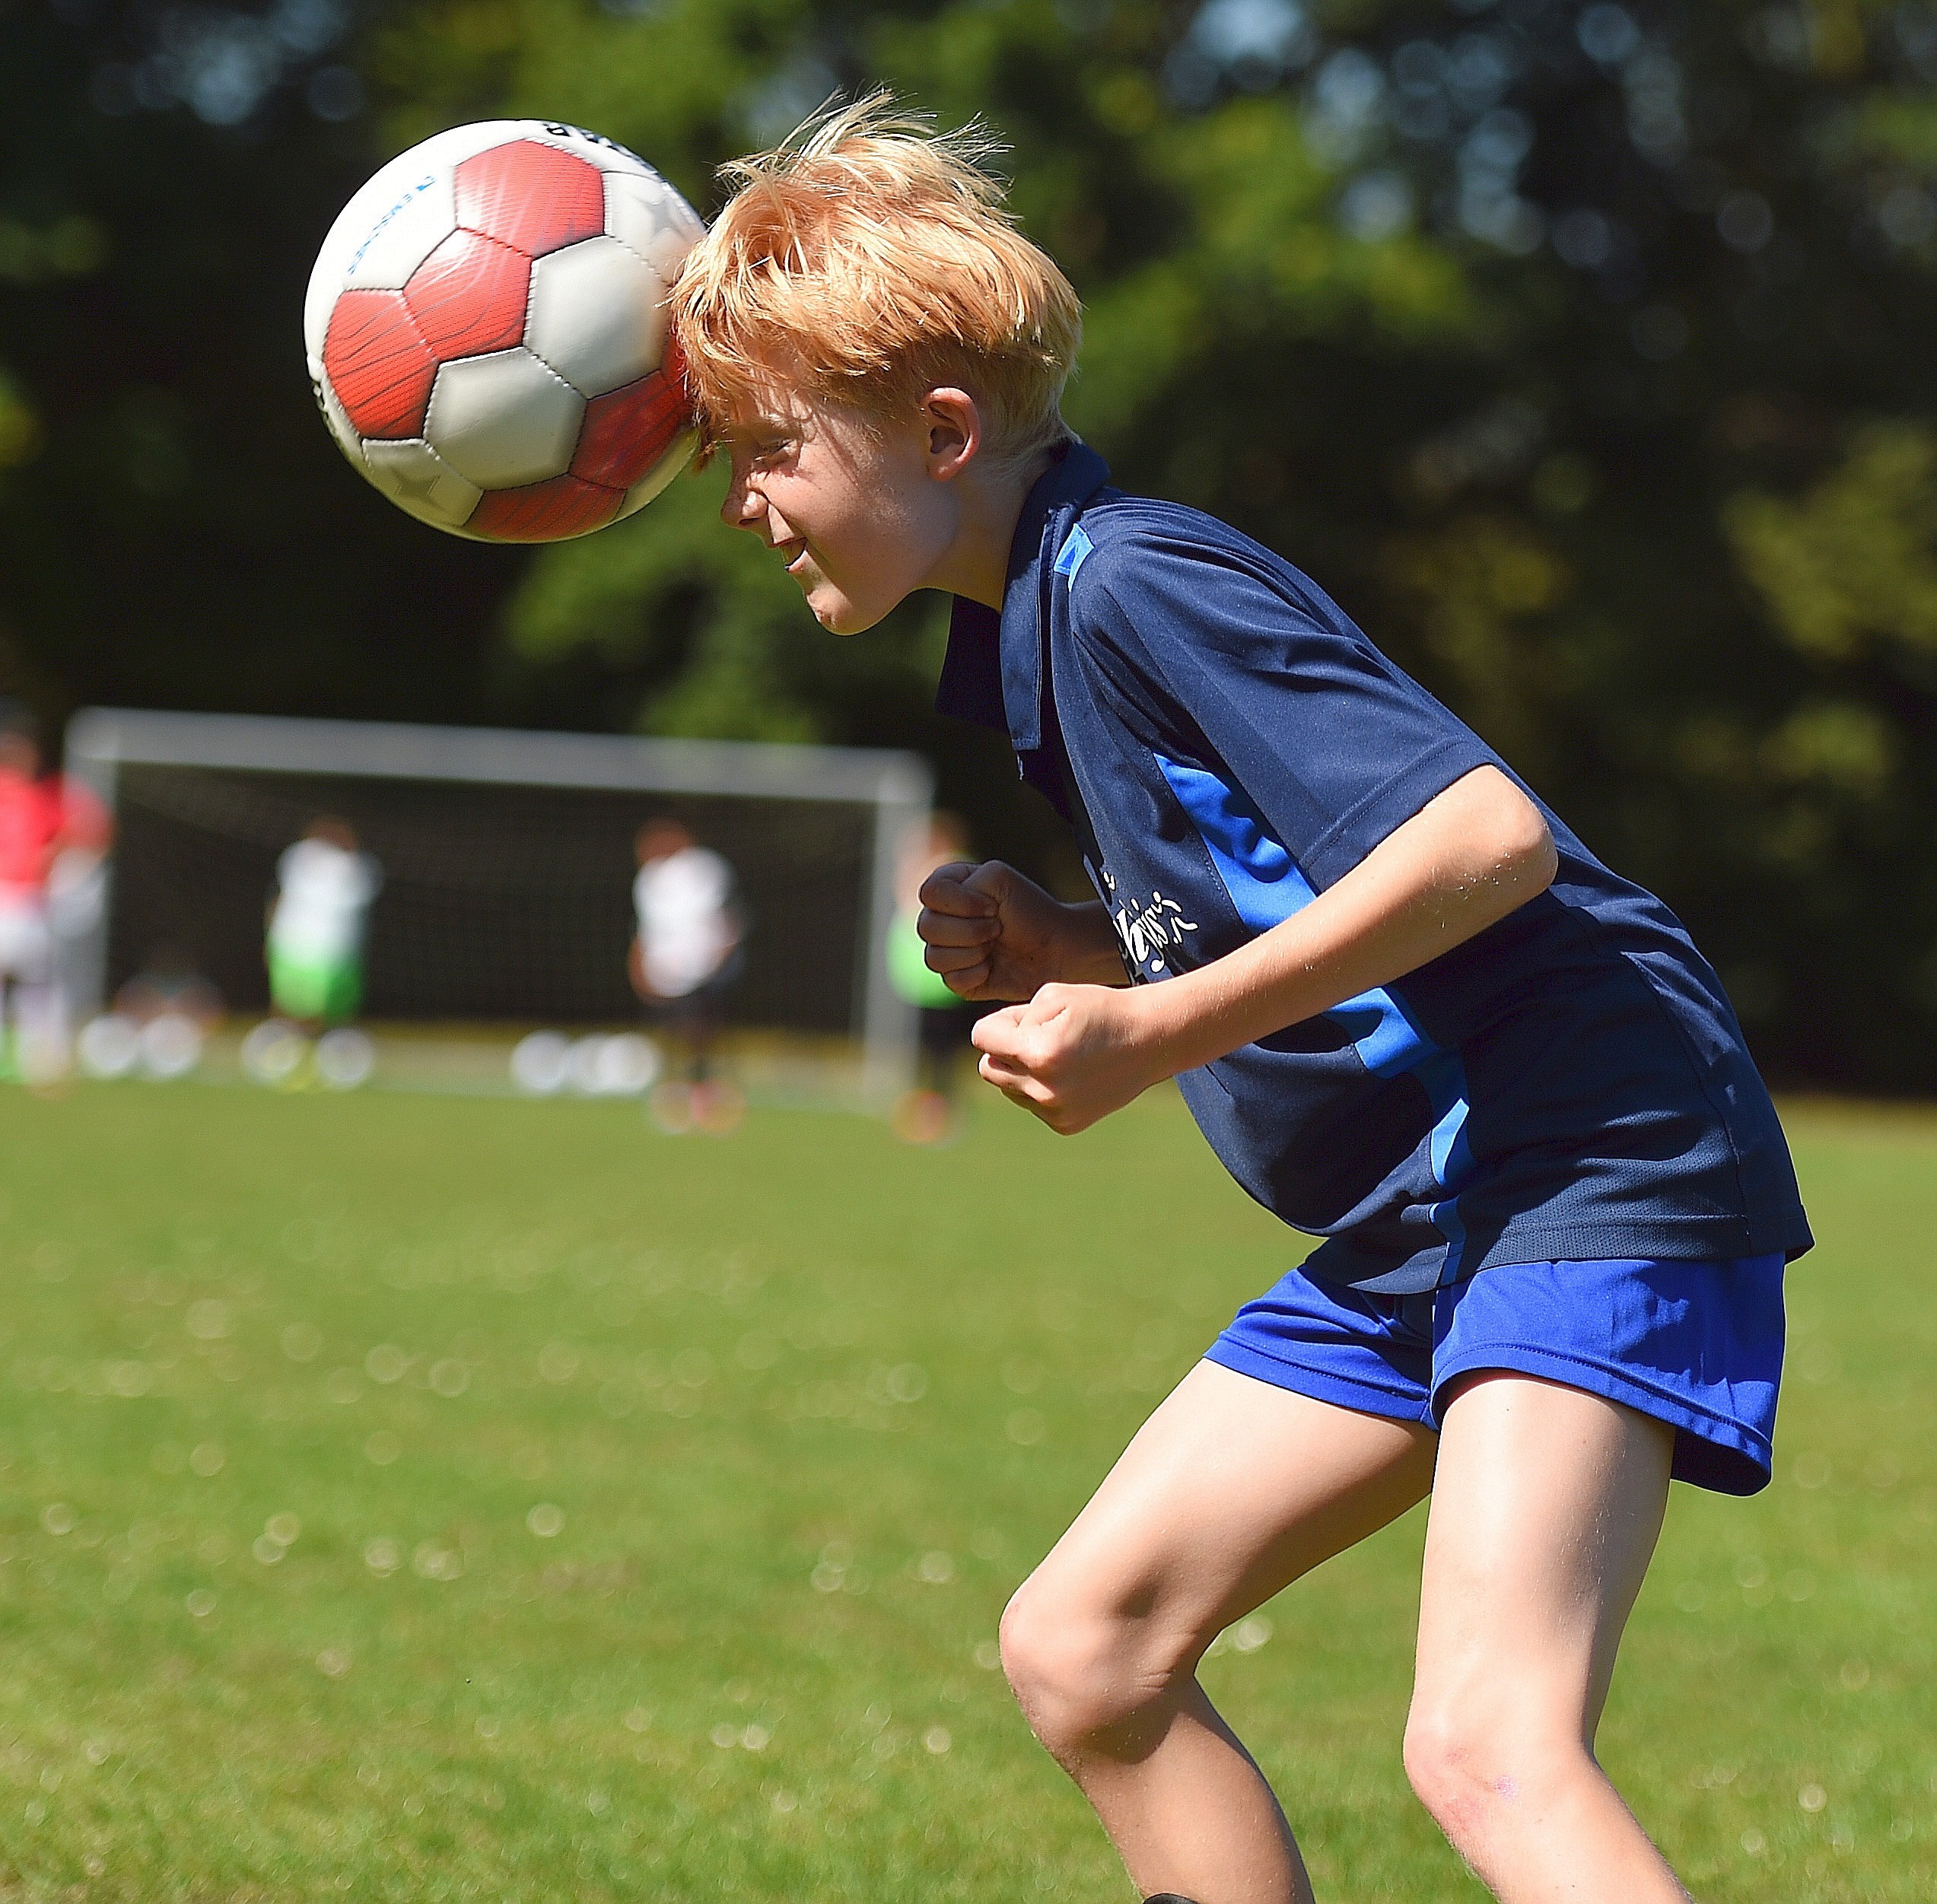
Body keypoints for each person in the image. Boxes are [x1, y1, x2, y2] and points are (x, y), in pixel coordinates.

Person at [670, 97, 1812, 1904]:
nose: (734, 495)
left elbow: (1478, 836)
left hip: (1585, 1139)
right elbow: (1289, 908)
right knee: (1087, 1646)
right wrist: (1071, 939)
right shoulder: (1037, 629)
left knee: (1485, 1742)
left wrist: (1154, 1030)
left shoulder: (1133, 579)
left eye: (760, 445)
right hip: (1436, 1202)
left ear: (940, 427)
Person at [0, 700, 112, 1081]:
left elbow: (92, 831)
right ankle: (41, 1058)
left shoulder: (44, 795)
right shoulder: (37, 794)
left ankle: (42, 1057)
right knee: (38, 986)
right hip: (14, 898)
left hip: (28, 901)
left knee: (38, 985)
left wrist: (58, 857)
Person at [628, 817, 743, 1132]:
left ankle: (707, 1094)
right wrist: (641, 965)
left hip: (704, 969)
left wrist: (715, 958)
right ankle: (677, 1093)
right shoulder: (651, 882)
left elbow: (724, 920)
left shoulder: (704, 871)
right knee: (672, 1031)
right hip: (667, 973)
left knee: (702, 1031)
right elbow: (649, 931)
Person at [886, 811, 978, 1143]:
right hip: (918, 976)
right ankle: (925, 1107)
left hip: (944, 977)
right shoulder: (920, 869)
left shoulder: (952, 869)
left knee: (942, 1051)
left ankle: (939, 1111)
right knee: (923, 1049)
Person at [266, 816, 381, 1035]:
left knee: (331, 1003)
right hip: (294, 942)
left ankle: (329, 1040)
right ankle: (284, 1037)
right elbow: (282, 899)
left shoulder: (356, 867)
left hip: (335, 948)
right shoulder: (299, 857)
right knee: (289, 998)